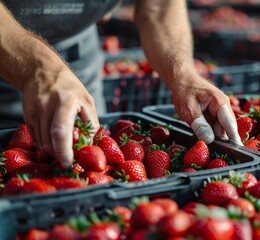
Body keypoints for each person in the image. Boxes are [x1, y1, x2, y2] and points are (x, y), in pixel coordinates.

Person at [0, 0, 241, 168]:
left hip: (76, 52)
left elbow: (159, 8)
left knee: (85, 149)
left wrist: (185, 77)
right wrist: (39, 67)